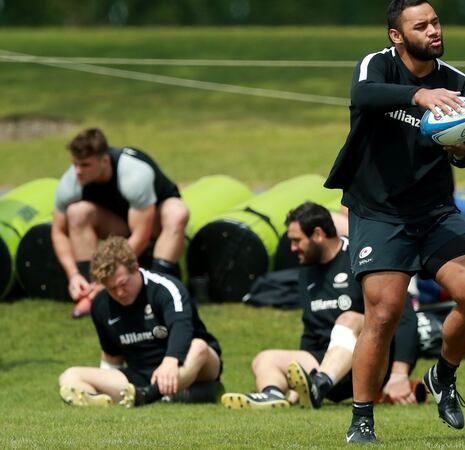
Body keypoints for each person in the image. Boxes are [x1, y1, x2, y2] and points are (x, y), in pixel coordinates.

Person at [324, 0, 465, 443]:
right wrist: (419, 96)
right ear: (397, 36)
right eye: (421, 26)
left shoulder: (458, 82)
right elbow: (364, 96)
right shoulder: (376, 66)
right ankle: (362, 419)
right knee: (384, 312)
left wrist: (460, 147)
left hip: (435, 211)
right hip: (379, 211)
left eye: (436, 22)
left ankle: (442, 375)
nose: (434, 31)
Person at [221, 202, 420, 410]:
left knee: (349, 318)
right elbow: (311, 330)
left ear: (317, 234)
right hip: (327, 364)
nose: (292, 248)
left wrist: (399, 375)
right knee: (264, 359)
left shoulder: (363, 258)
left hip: (371, 364)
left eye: (297, 241)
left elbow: (405, 316)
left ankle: (320, 383)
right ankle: (273, 395)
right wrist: (298, 382)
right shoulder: (307, 271)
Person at [58, 236, 222, 407]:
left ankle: (150, 395)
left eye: (123, 284)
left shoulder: (166, 288)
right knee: (69, 377)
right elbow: (112, 356)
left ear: (135, 268)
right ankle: (106, 401)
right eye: (112, 289)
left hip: (188, 365)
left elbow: (182, 327)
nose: (120, 293)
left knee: (199, 346)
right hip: (140, 376)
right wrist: (104, 383)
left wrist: (171, 361)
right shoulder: (101, 305)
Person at [52, 127, 189, 317]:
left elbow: (142, 236)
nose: (78, 171)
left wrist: (107, 275)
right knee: (77, 213)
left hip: (154, 222)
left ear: (105, 161)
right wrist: (73, 274)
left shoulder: (134, 175)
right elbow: (58, 231)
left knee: (177, 212)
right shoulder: (71, 183)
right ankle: (89, 292)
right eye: (75, 164)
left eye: (85, 165)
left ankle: (159, 290)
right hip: (119, 223)